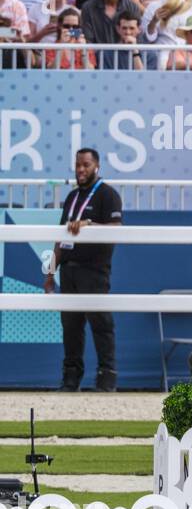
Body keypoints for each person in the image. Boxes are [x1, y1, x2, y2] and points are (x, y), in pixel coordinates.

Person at [45, 148, 123, 392]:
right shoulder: (71, 197)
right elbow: (60, 238)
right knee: (71, 327)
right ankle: (70, 378)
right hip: (68, 270)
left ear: (97, 167)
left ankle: (106, 377)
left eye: (86, 165)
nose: (80, 170)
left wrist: (90, 225)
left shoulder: (108, 195)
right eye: (78, 165)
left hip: (95, 270)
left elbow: (115, 230)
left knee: (101, 324)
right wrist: (50, 273)